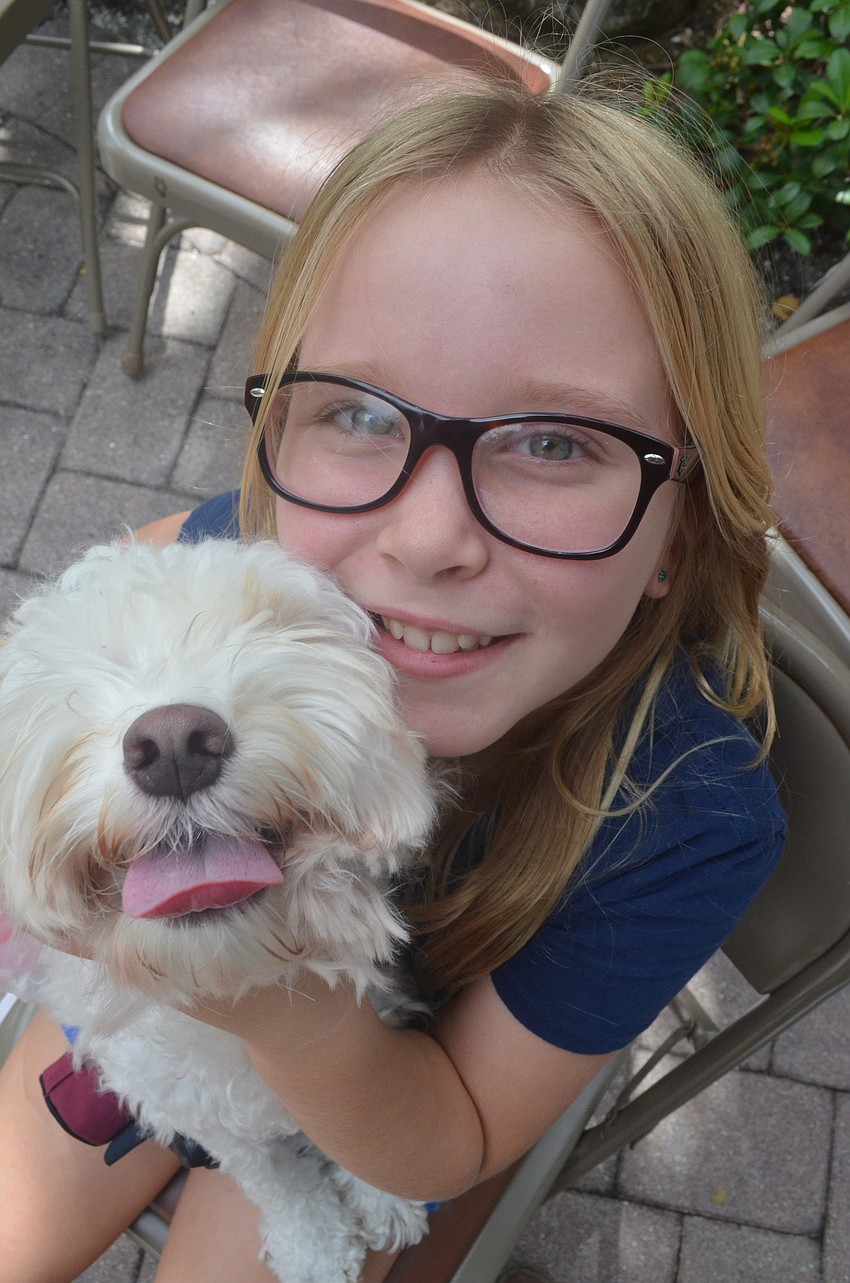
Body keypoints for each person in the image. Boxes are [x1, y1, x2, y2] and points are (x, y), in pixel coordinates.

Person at [0, 81, 787, 1283]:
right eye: (358, 413)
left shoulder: (684, 812)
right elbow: (151, 564)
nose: (425, 540)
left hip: (393, 1095)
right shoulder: (247, 584)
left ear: (681, 521)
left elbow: (450, 1134)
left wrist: (280, 1015)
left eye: (554, 442)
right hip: (161, 995)